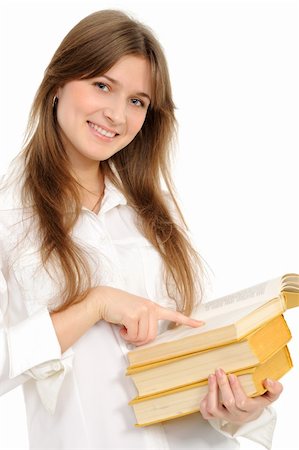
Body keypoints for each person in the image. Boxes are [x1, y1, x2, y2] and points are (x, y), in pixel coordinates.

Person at [0, 9, 283, 450]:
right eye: (102, 86)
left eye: (137, 101)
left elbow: (189, 352)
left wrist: (241, 411)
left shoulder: (153, 211)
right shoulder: (8, 214)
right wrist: (95, 305)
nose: (116, 115)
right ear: (58, 82)